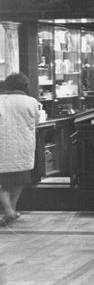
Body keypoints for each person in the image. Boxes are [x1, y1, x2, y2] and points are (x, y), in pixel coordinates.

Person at [0, 73, 40, 226]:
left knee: (3, 182)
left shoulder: (1, 100)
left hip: (3, 144)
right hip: (24, 145)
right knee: (20, 180)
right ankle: (12, 210)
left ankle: (9, 210)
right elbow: (36, 121)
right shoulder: (31, 101)